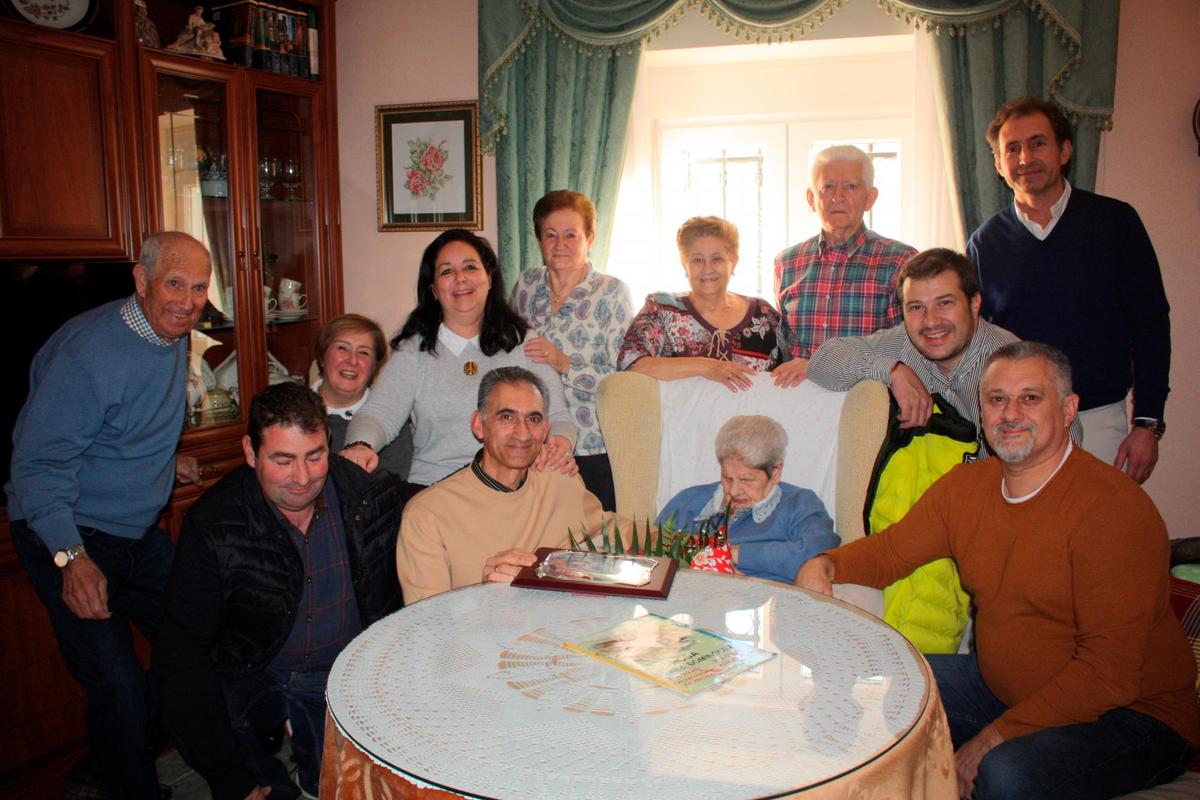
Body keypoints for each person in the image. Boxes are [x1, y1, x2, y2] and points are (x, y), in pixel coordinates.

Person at [797, 342, 1199, 799]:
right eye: (996, 399)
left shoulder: (1112, 509)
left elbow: (1109, 673)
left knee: (1005, 774)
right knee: (873, 688)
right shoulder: (969, 487)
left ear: (1068, 410)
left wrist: (994, 737)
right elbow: (890, 553)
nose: (1010, 414)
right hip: (999, 687)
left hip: (1134, 715)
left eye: (1030, 397)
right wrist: (823, 563)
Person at [5, 231, 211, 799]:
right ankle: (130, 784)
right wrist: (71, 559)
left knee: (195, 637)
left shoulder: (170, 336)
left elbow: (114, 427)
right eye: (174, 284)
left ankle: (104, 766)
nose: (188, 301)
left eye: (198, 288)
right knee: (117, 682)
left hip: (136, 534)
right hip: (65, 531)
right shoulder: (87, 351)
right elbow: (39, 467)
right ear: (141, 281)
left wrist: (167, 460)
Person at [156, 382, 403, 800]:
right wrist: (230, 777)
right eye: (282, 460)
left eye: (315, 456)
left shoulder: (365, 494)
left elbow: (433, 510)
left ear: (330, 444)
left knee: (335, 786)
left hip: (340, 672)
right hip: (250, 670)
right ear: (251, 453)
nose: (303, 478)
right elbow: (181, 656)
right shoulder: (214, 523)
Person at [968, 96, 1170, 483]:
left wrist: (1147, 423)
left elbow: (1151, 327)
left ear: (1064, 151)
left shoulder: (1116, 224)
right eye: (1012, 148)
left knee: (1104, 538)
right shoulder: (983, 243)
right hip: (1018, 424)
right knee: (1025, 539)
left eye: (1038, 143)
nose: (1025, 157)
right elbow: (977, 344)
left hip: (1100, 423)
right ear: (998, 163)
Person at [340, 229, 577, 500]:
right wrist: (360, 445)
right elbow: (378, 414)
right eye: (446, 272)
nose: (460, 278)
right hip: (437, 494)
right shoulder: (414, 351)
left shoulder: (525, 343)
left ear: (489, 278)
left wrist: (559, 446)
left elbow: (558, 418)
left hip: (517, 491)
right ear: (433, 290)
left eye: (470, 267)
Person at [398, 367, 628, 604]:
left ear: (546, 429)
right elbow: (428, 623)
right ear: (479, 425)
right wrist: (486, 594)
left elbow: (611, 529)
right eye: (507, 417)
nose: (523, 433)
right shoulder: (426, 515)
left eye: (533, 419)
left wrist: (666, 538)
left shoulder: (558, 477)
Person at [807, 248, 1022, 451]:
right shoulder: (903, 341)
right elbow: (822, 360)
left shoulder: (1011, 362)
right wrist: (892, 370)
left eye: (945, 303)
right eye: (916, 307)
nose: (931, 321)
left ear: (974, 304)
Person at [510, 190, 634, 510]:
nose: (560, 244)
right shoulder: (526, 285)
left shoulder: (611, 292)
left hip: (592, 445)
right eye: (550, 235)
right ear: (539, 240)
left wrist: (565, 363)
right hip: (531, 442)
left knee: (595, 540)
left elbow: (623, 377)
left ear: (590, 239)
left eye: (571, 235)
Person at [772, 145, 918, 387]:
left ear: (870, 198)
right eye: (827, 187)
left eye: (851, 186)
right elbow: (783, 345)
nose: (838, 196)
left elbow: (910, 344)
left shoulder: (901, 261)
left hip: (870, 406)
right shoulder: (786, 263)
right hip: (800, 407)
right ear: (811, 198)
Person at [656, 415, 838, 584]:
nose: (734, 491)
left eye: (746, 480)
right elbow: (652, 553)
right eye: (727, 478)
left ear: (776, 472)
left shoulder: (799, 504)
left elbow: (822, 551)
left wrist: (733, 554)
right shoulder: (690, 500)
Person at [617, 216, 783, 392]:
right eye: (697, 259)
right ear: (684, 263)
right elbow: (630, 364)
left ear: (733, 261)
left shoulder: (763, 314)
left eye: (717, 258)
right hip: (682, 419)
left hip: (752, 418)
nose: (707, 268)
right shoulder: (662, 309)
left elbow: (787, 371)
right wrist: (706, 367)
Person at [312, 313, 413, 478]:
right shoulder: (289, 410)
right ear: (322, 357)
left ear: (374, 367)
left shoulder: (390, 421)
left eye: (364, 353)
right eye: (342, 348)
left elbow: (389, 491)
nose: (352, 361)